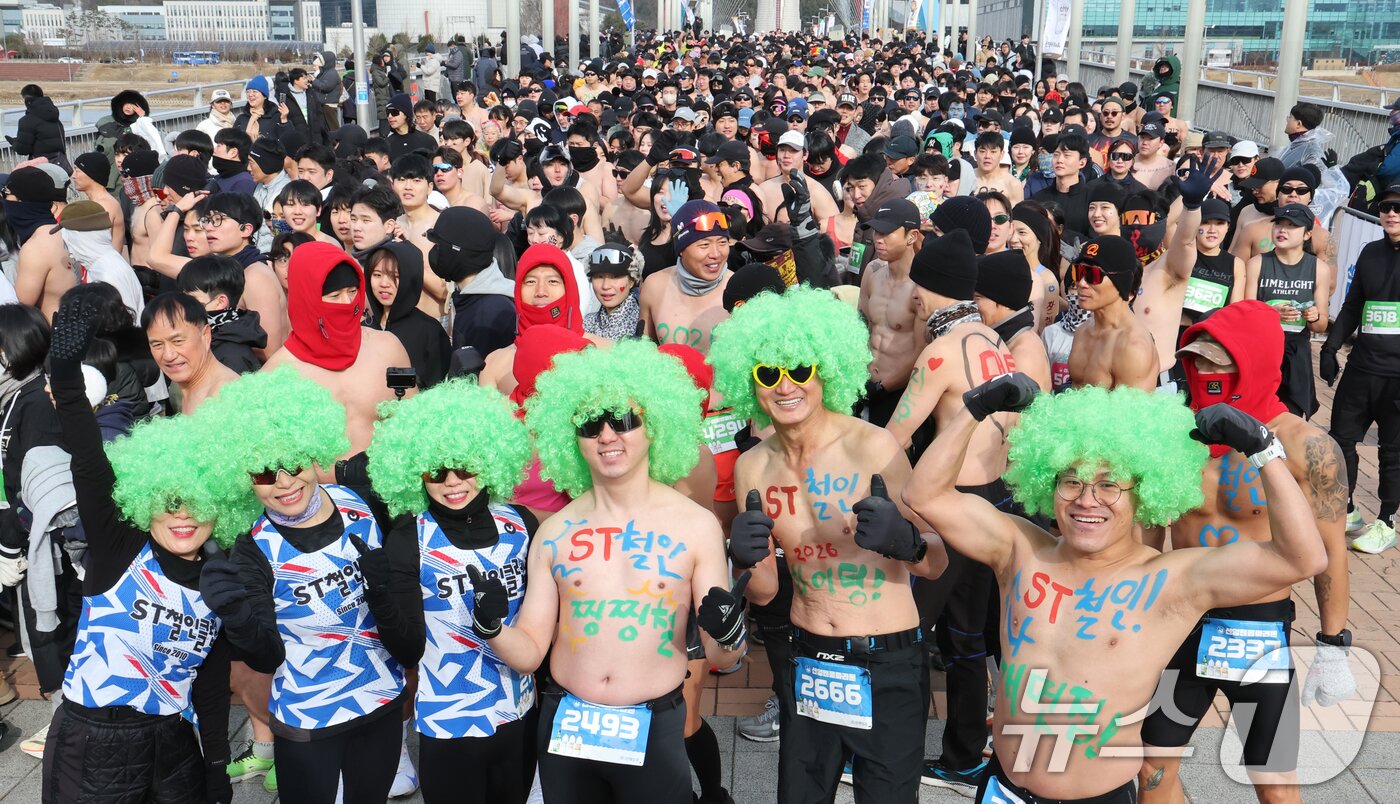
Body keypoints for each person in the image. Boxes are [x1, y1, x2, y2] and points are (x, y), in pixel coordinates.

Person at [903, 375, 1327, 802]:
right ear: (1048, 483)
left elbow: (1301, 558)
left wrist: (1263, 451)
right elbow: (925, 496)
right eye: (1072, 481)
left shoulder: (1171, 581)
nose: (1087, 500)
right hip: (1002, 789)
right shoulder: (1019, 548)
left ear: (1144, 493)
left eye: (1110, 485)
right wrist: (974, 409)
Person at [479, 340, 747, 803]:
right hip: (568, 727)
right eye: (590, 423)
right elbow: (529, 652)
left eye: (623, 420)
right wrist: (493, 628)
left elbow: (721, 658)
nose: (607, 436)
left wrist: (729, 634)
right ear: (572, 437)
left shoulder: (695, 526)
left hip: (654, 726)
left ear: (654, 426)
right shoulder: (555, 532)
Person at [709, 285, 945, 802]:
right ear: (751, 382)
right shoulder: (753, 466)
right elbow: (766, 592)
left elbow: (937, 562)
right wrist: (742, 558)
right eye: (768, 373)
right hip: (809, 658)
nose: (785, 385)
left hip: (886, 659)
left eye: (800, 369)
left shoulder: (874, 447)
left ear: (825, 372)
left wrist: (906, 543)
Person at [39, 292, 260, 804]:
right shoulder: (119, 547)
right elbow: (88, 459)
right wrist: (65, 375)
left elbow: (211, 689)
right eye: (169, 502)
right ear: (146, 500)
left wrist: (216, 767)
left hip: (175, 745)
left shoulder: (217, 578)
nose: (183, 516)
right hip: (91, 744)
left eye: (198, 503)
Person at [1138, 300, 1352, 804]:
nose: (1205, 373)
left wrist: (1333, 643)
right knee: (1151, 765)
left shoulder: (1308, 446)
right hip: (1180, 616)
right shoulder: (1173, 435)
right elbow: (1145, 539)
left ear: (1253, 361)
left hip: (1256, 629)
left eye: (1219, 363)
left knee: (1273, 782)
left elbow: (1331, 552)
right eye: (1197, 362)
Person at [203, 368, 407, 804]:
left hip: (381, 700)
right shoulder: (253, 548)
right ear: (243, 478)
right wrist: (237, 616)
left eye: (293, 462)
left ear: (313, 453)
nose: (284, 482)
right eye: (263, 472)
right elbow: (265, 656)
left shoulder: (358, 503)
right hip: (308, 717)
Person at [357, 377, 537, 804]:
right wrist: (380, 594)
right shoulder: (409, 538)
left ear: (488, 462)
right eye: (436, 471)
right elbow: (407, 650)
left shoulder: (521, 524)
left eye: (465, 467)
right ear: (417, 473)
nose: (452, 482)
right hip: (449, 721)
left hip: (519, 713)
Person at [264, 241, 414, 456]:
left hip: (385, 474)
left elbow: (414, 420)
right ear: (307, 298)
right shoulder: (276, 373)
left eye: (352, 291)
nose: (347, 302)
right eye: (334, 296)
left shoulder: (388, 347)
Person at [1320, 183, 1400, 552]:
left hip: (1396, 377)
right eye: (1385, 207)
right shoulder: (1370, 252)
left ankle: (1386, 520)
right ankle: (1348, 509)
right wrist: (1330, 347)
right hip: (1362, 367)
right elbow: (1353, 305)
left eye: (1398, 208)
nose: (1391, 213)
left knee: (1391, 451)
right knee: (1340, 440)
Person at [1244, 204, 1332, 419]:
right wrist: (1269, 313)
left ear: (1307, 234)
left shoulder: (1319, 268)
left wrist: (1314, 316)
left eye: (1292, 226)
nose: (1282, 230)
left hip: (1296, 354)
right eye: (1279, 224)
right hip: (1262, 351)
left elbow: (1321, 325)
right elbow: (1243, 315)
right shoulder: (1257, 263)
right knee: (1254, 418)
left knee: (1291, 418)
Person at [856, 199, 924, 427]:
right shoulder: (872, 271)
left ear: (912, 236)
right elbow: (860, 327)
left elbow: (921, 351)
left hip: (899, 395)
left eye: (886, 233)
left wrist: (883, 388)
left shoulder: (922, 287)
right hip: (861, 384)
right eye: (876, 231)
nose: (878, 239)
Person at [1067, 235, 1160, 390]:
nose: (1081, 283)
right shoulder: (1082, 331)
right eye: (1078, 272)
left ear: (1121, 282)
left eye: (1093, 275)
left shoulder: (1133, 347)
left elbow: (1132, 407)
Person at [640, 200, 733, 353]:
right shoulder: (654, 286)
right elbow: (642, 352)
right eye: (704, 245)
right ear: (681, 249)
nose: (716, 254)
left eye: (722, 243)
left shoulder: (739, 292)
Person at [424, 206, 517, 357]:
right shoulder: (469, 298)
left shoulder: (490, 315)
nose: (434, 252)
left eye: (439, 246)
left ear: (457, 252)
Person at [364, 240, 451, 389]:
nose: (384, 283)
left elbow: (440, 388)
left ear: (411, 279)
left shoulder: (430, 331)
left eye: (395, 276)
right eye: (377, 275)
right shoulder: (363, 328)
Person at [141, 292, 239, 413]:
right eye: (157, 345)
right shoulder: (182, 388)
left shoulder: (226, 396)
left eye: (177, 341)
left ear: (205, 335)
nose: (168, 355)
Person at [176, 254, 267, 374]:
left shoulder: (233, 356)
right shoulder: (212, 337)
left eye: (191, 300)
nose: (183, 306)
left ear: (220, 302)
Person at [976, 249, 1052, 390]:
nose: (972, 305)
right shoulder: (1012, 340)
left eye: (977, 298)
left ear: (1004, 301)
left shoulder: (1023, 354)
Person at [583, 242, 642, 340]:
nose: (605, 286)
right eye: (599, 277)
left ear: (632, 280)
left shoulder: (643, 323)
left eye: (615, 277)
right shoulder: (587, 323)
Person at [71, 152, 125, 254]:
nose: (73, 176)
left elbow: (93, 245)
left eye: (77, 171)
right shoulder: (98, 203)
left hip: (107, 263)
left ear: (92, 175)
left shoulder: (104, 205)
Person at [8, 85, 67, 169]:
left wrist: (14, 143)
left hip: (41, 167)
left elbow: (23, 150)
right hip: (60, 164)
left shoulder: (27, 120)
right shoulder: (54, 116)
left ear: (27, 100)